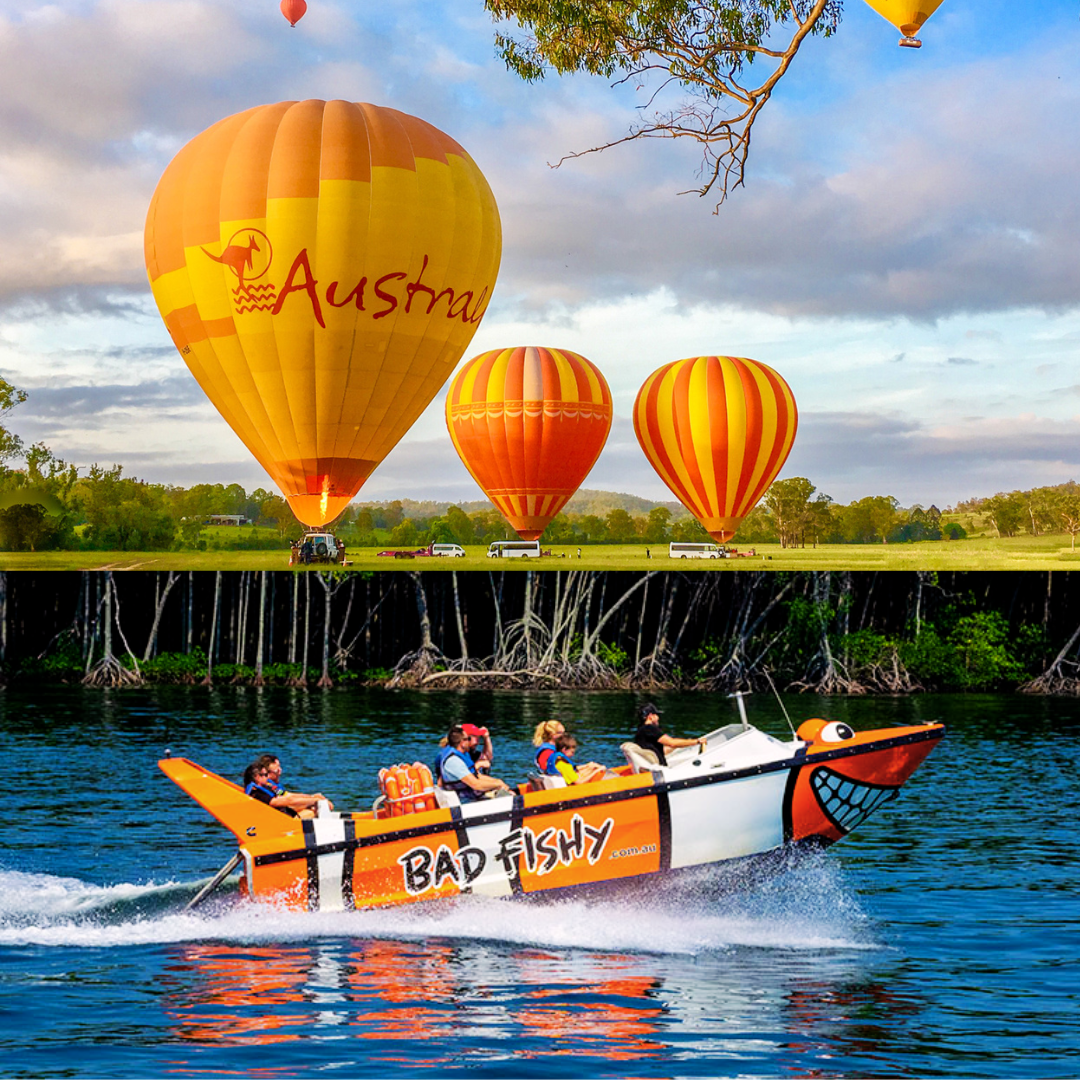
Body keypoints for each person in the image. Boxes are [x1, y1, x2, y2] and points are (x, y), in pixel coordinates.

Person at [435, 726, 512, 802]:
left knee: (507, 792)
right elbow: (476, 785)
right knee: (506, 795)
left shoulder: (463, 754)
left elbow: (477, 775)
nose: (476, 741)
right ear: (462, 742)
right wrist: (498, 784)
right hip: (464, 801)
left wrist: (498, 783)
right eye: (469, 739)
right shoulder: (453, 761)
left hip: (469, 794)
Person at [244, 759, 331, 819]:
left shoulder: (267, 786)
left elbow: (286, 796)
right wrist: (315, 800)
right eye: (266, 775)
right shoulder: (258, 794)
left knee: (318, 806)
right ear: (257, 777)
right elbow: (288, 801)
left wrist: (312, 797)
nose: (268, 778)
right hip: (285, 821)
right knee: (314, 811)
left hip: (286, 812)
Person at [633, 702, 706, 766]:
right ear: (651, 716)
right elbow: (672, 743)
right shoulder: (651, 729)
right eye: (657, 715)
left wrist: (683, 743)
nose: (658, 718)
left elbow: (661, 750)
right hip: (661, 770)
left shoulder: (640, 730)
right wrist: (697, 741)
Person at [541, 733, 606, 785]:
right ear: (564, 749)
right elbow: (579, 782)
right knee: (594, 770)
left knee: (591, 767)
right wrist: (596, 771)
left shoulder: (556, 759)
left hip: (564, 782)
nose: (573, 754)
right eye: (572, 752)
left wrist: (587, 765)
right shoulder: (564, 765)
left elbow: (573, 768)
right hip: (572, 789)